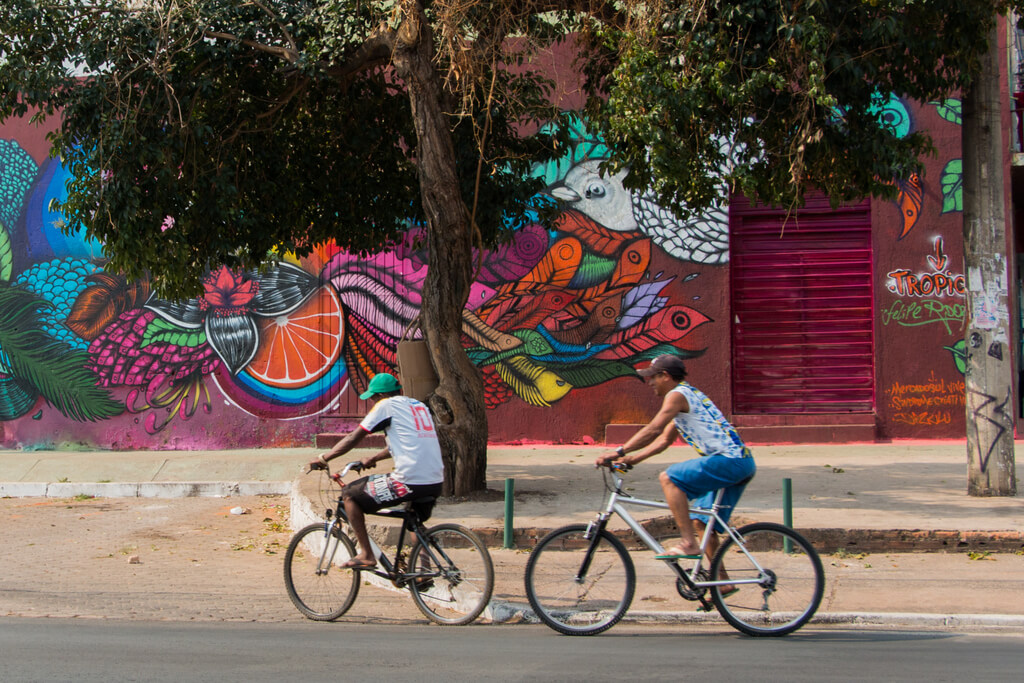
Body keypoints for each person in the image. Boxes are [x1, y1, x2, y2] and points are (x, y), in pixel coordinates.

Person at [596, 354, 755, 589]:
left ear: (665, 376)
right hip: (740, 462)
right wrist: (632, 460)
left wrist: (618, 451)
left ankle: (688, 543)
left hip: (729, 461)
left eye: (652, 378)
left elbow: (653, 429)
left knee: (670, 478)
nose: (649, 383)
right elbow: (663, 441)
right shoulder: (687, 396)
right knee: (702, 523)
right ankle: (723, 583)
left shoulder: (676, 396)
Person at [309, 372, 444, 569]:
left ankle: (366, 554)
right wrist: (373, 458)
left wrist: (323, 458)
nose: (372, 402)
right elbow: (408, 443)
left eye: (373, 397)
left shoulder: (385, 405)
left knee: (349, 495)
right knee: (414, 520)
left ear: (380, 396)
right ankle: (424, 569)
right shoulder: (418, 406)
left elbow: (354, 438)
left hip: (409, 479)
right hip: (435, 480)